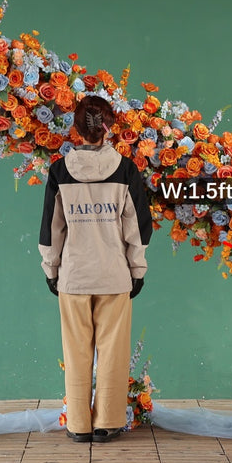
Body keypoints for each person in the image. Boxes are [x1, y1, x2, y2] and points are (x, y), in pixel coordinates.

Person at [39, 94, 153, 443]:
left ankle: (78, 424)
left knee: (76, 354)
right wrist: (137, 270)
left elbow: (51, 229)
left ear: (76, 129)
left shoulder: (60, 171)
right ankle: (107, 422)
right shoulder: (126, 170)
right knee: (113, 354)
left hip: (73, 277)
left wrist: (51, 269)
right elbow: (138, 228)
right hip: (114, 276)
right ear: (109, 128)